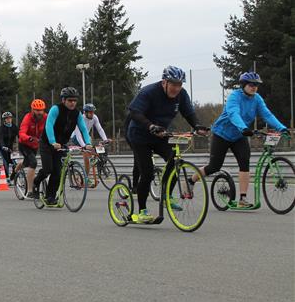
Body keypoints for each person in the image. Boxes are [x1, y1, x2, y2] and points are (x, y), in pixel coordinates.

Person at [188, 72, 289, 208]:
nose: (254, 87)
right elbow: (233, 113)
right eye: (251, 85)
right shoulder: (234, 97)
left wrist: (282, 128)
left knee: (244, 162)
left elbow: (267, 115)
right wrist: (243, 128)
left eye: (256, 85)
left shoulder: (257, 99)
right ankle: (191, 180)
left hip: (239, 136)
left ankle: (242, 199)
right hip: (222, 134)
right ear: (243, 85)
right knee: (214, 166)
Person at [126, 66, 206, 222]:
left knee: (175, 160)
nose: (176, 88)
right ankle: (142, 211)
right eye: (173, 84)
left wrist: (197, 126)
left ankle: (166, 195)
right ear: (164, 82)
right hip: (139, 136)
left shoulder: (181, 94)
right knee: (147, 173)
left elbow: (189, 113)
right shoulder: (149, 92)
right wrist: (150, 126)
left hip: (160, 135)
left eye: (179, 84)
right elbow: (135, 112)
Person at [33, 87, 92, 204]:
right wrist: (52, 142)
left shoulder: (77, 114)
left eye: (75, 101)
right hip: (47, 143)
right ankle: (36, 181)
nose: (73, 103)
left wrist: (88, 143)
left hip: (61, 144)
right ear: (63, 100)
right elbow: (49, 125)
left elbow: (83, 129)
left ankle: (50, 196)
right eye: (70, 100)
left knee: (58, 172)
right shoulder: (56, 109)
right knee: (48, 169)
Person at [18, 99, 47, 198]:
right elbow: (22, 133)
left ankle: (16, 168)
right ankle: (30, 190)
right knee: (33, 162)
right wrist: (29, 138)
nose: (39, 112)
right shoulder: (27, 118)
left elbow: (51, 127)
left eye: (41, 110)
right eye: (37, 110)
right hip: (25, 144)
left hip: (35, 145)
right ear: (32, 110)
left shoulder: (46, 117)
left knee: (27, 163)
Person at [72, 103, 110, 180]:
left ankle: (99, 164)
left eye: (93, 112)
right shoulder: (80, 119)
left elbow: (100, 129)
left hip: (86, 137)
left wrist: (105, 139)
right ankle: (86, 178)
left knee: (101, 149)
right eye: (90, 112)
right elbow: (78, 136)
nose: (92, 114)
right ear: (85, 112)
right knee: (86, 156)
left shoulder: (94, 117)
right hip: (76, 137)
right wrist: (84, 146)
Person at [0, 111, 19, 183]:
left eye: (10, 118)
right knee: (6, 162)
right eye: (7, 118)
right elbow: (0, 138)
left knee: (15, 162)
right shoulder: (2, 128)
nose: (9, 120)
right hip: (2, 148)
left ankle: (12, 177)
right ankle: (6, 177)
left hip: (11, 147)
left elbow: (19, 135)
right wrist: (3, 146)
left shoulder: (14, 127)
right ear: (4, 120)